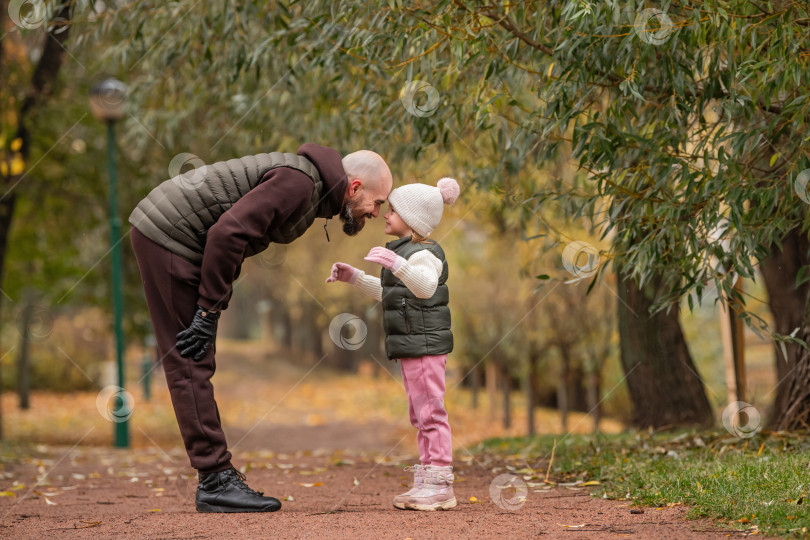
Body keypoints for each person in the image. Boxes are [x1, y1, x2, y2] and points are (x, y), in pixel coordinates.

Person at [129, 143, 392, 513]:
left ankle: (215, 478)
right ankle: (215, 480)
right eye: (377, 202)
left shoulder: (309, 183)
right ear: (355, 187)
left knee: (192, 356)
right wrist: (207, 312)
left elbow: (235, 236)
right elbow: (227, 235)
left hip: (171, 234)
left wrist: (211, 305)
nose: (376, 212)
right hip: (171, 236)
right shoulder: (300, 184)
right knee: (190, 357)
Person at [326, 177, 460, 511]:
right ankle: (428, 474)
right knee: (420, 413)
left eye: (394, 210)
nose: (385, 214)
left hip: (427, 346)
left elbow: (425, 288)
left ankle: (441, 481)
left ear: (413, 220)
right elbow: (391, 294)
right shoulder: (403, 252)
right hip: (412, 346)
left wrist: (396, 265)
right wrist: (354, 276)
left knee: (431, 411)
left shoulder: (426, 254)